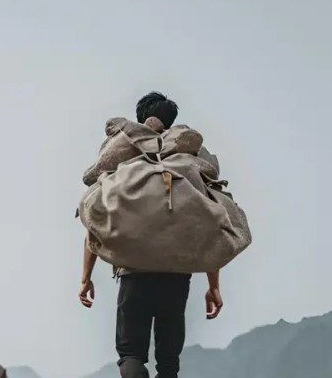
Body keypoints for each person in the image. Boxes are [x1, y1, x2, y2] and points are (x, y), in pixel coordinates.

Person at [78, 91, 224, 378]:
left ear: (140, 119)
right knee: (169, 363)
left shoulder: (125, 164)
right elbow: (208, 224)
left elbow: (94, 223)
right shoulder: (187, 164)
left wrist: (86, 278)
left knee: (131, 354)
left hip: (134, 275)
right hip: (177, 277)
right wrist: (213, 285)